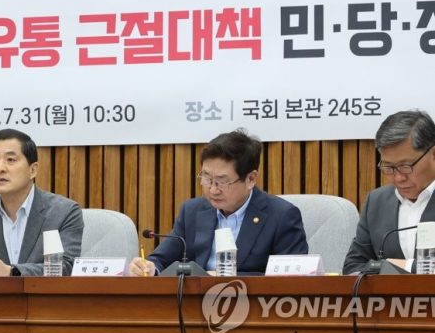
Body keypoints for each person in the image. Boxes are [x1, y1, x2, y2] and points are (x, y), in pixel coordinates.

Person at [129, 129, 308, 276]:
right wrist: (149, 267)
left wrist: (224, 278)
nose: (213, 190)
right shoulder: (192, 211)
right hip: (194, 305)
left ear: (251, 179)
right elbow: (161, 259)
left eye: (222, 182)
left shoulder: (282, 216)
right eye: (207, 179)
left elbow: (292, 277)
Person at [0, 128, 84, 276]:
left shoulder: (64, 212)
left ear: (33, 170)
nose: (0, 168)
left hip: (41, 292)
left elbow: (67, 267)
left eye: (10, 160)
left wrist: (12, 272)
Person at [343, 110, 435, 274]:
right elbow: (352, 267)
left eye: (405, 166)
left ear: (433, 154)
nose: (398, 178)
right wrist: (386, 266)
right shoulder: (376, 202)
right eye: (389, 167)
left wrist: (403, 266)